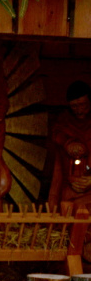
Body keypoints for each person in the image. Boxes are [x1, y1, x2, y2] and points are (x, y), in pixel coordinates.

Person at [49, 80, 91, 208]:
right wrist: (68, 143)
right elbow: (57, 133)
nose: (79, 110)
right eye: (74, 106)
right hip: (71, 183)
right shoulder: (65, 120)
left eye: (82, 105)